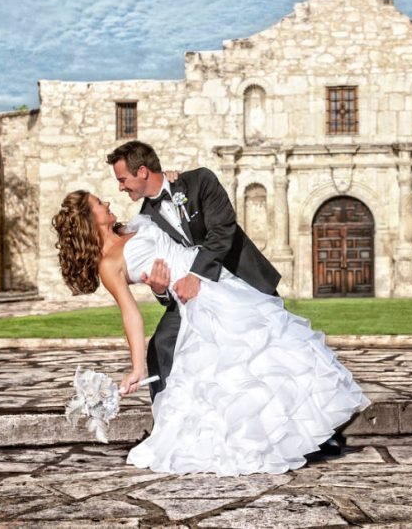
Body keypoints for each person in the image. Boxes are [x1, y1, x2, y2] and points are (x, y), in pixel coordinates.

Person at [52, 191, 370, 476]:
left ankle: (313, 433)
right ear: (88, 219)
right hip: (196, 301)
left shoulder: (133, 226)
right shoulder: (109, 264)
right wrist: (137, 367)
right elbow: (130, 314)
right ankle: (265, 441)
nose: (106, 202)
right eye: (98, 203)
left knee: (275, 350)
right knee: (236, 371)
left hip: (215, 277)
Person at [105, 141, 281, 402]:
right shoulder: (145, 219)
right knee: (161, 346)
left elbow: (222, 231)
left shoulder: (200, 181)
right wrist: (160, 290)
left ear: (142, 172)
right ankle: (168, 421)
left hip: (237, 274)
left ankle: (322, 434)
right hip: (191, 294)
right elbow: (163, 265)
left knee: (276, 344)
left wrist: (196, 275)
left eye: (122, 179)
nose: (120, 187)